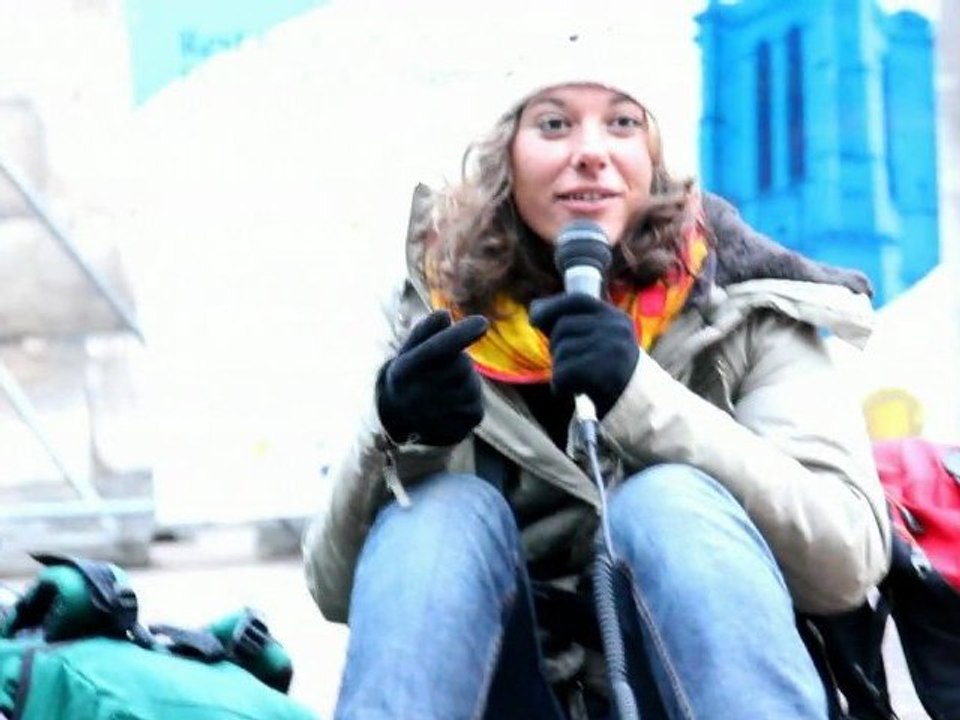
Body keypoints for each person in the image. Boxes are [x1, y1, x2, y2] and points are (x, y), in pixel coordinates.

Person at [303, 32, 891, 720]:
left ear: (655, 161)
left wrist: (638, 398)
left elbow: (846, 562)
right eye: (554, 123)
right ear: (505, 158)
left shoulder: (747, 306)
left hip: (699, 691)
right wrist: (394, 430)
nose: (591, 150)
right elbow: (331, 588)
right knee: (439, 514)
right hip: (515, 693)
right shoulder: (430, 314)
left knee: (667, 498)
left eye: (622, 123)